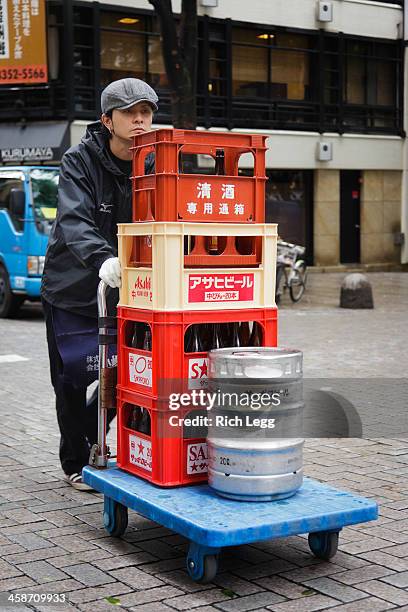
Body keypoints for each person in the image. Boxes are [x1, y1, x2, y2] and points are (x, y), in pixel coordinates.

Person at [41, 78, 158, 490]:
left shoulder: (153, 161)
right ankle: (75, 461)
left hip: (130, 292)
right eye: (130, 112)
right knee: (73, 376)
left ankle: (93, 443)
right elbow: (73, 220)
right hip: (72, 286)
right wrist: (102, 258)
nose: (140, 119)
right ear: (107, 119)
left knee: (125, 372)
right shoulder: (79, 160)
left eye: (146, 111)